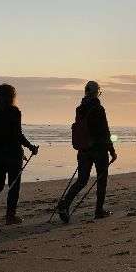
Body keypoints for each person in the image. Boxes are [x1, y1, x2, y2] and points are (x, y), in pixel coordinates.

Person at [0, 84, 39, 225]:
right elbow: (18, 135)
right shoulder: (14, 111)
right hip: (12, 154)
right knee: (13, 186)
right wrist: (30, 147)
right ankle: (10, 216)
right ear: (12, 96)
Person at [58, 81, 117, 223]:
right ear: (96, 92)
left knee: (82, 180)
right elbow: (105, 131)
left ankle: (65, 204)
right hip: (99, 149)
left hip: (84, 149)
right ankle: (99, 211)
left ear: (85, 92)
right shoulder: (98, 108)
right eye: (99, 91)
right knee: (101, 180)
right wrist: (112, 151)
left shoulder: (80, 109)